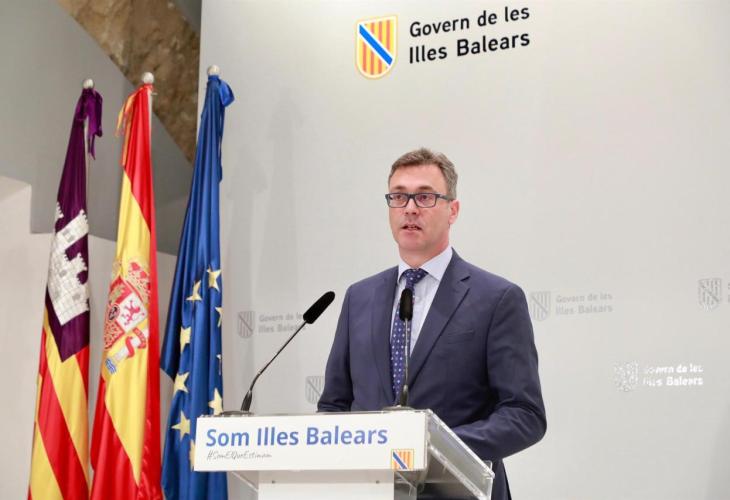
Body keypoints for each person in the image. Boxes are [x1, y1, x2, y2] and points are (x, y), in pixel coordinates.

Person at [318, 147, 546, 500]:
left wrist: (433, 448)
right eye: (399, 197)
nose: (410, 208)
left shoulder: (496, 298)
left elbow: (524, 414)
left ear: (452, 210)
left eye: (424, 197)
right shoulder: (359, 298)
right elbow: (334, 405)